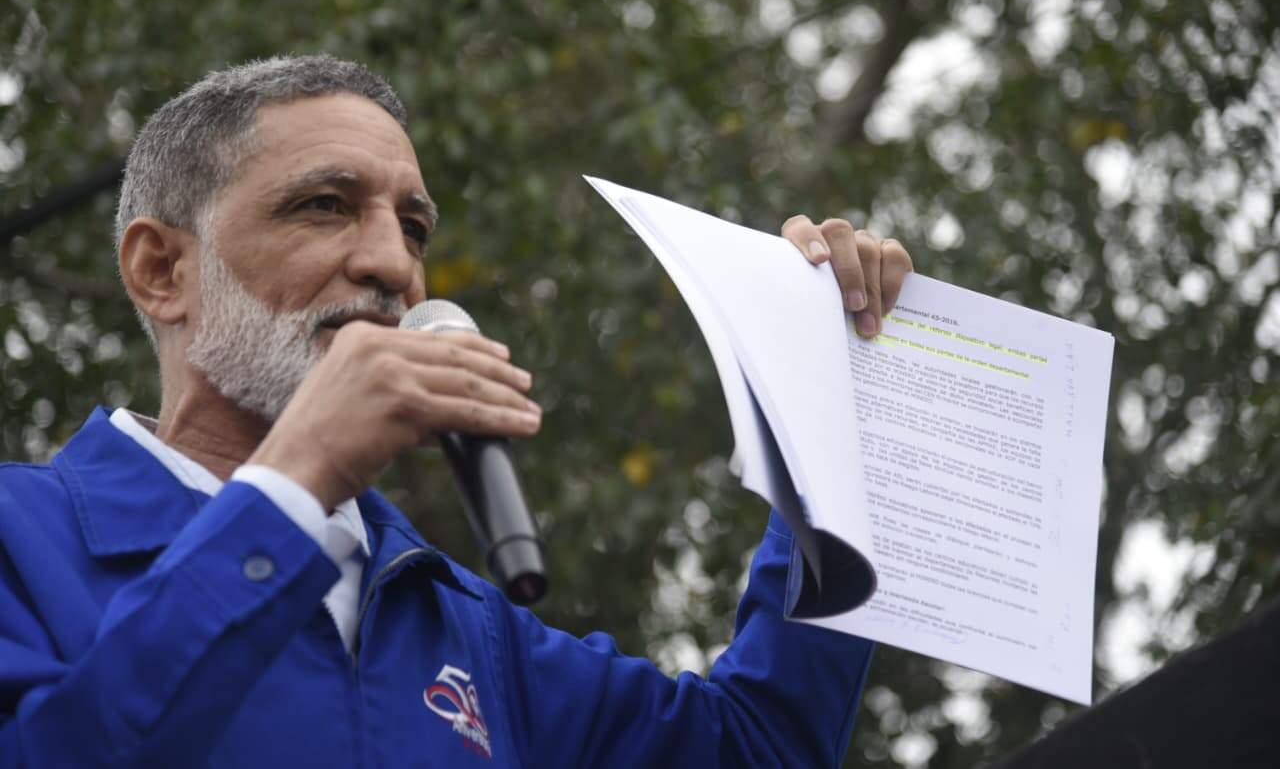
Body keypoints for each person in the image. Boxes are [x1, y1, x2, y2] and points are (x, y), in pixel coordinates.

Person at [0, 55, 914, 767]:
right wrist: (294, 481)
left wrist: (832, 420)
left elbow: (756, 752)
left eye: (414, 228)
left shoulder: (463, 623)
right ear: (162, 271)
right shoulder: (21, 537)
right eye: (323, 206)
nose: (394, 267)